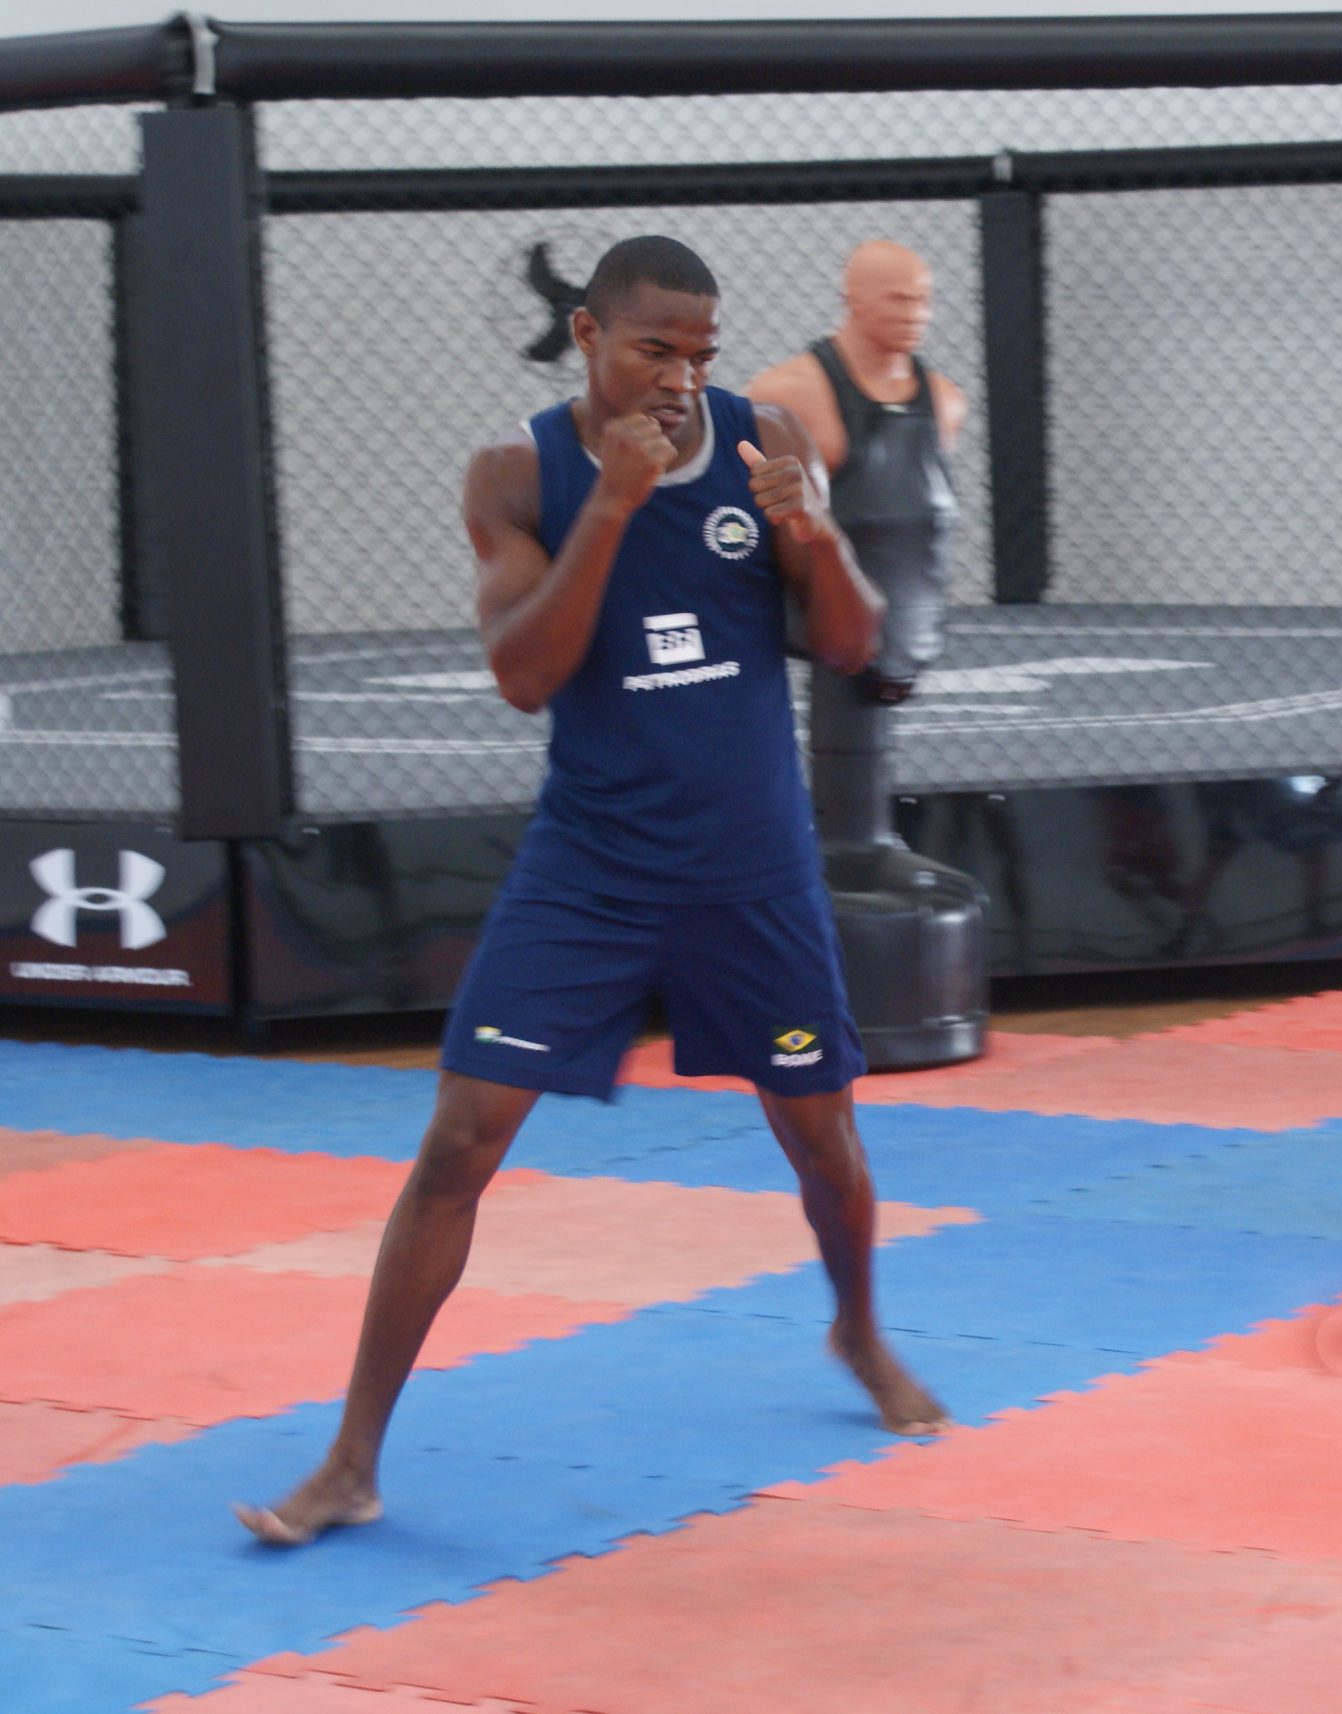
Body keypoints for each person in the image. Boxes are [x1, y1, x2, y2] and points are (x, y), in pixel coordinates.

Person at [236, 235, 948, 1547]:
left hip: (752, 871)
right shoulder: (520, 471)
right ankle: (350, 1457)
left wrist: (812, 530)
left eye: (699, 353)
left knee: (823, 1144)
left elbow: (851, 647)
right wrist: (614, 505)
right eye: (653, 349)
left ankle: (856, 1323)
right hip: (595, 868)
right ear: (587, 337)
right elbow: (524, 672)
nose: (680, 377)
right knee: (457, 1143)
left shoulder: (761, 439)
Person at [745, 239, 966, 701]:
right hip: (813, 655)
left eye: (924, 299)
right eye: (899, 298)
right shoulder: (786, 395)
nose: (916, 313)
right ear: (856, 299)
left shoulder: (946, 401)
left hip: (907, 645)